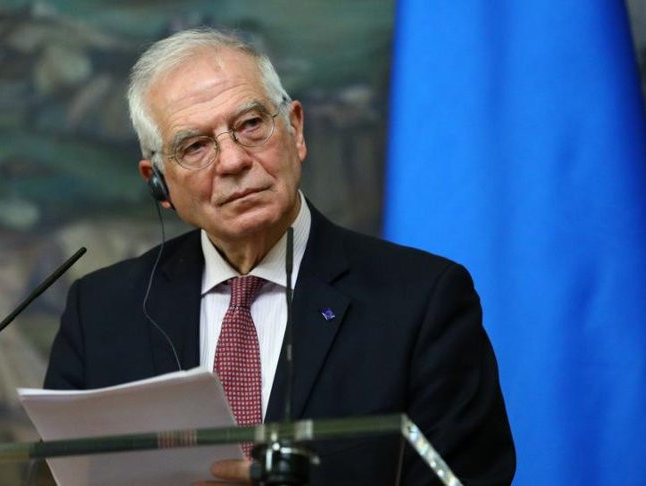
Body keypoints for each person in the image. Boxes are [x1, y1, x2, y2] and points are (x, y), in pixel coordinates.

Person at [44, 27, 516, 485]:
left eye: (251, 125)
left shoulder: (422, 300)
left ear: (295, 129)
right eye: (195, 146)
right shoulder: (100, 311)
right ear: (159, 183)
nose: (233, 161)